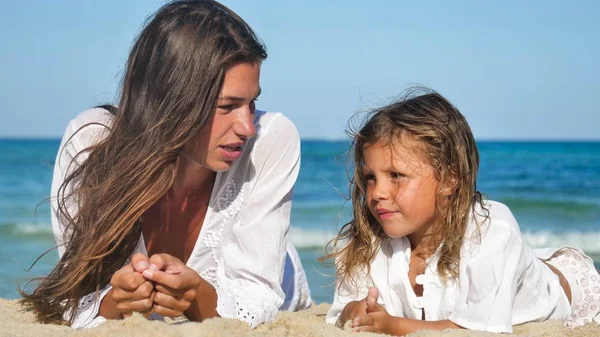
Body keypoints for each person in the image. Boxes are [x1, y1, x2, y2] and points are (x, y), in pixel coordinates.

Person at [20, 0, 311, 329]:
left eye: (252, 102)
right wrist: (116, 302)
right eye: (227, 106)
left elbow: (259, 298)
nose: (247, 126)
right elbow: (73, 295)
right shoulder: (91, 145)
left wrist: (197, 295)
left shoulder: (270, 141)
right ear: (173, 100)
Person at [323, 88, 600, 334]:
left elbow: (477, 330)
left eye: (396, 175)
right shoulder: (369, 240)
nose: (378, 192)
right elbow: (343, 311)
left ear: (449, 179)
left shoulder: (491, 231)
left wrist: (394, 326)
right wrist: (355, 311)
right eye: (370, 177)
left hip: (571, 292)